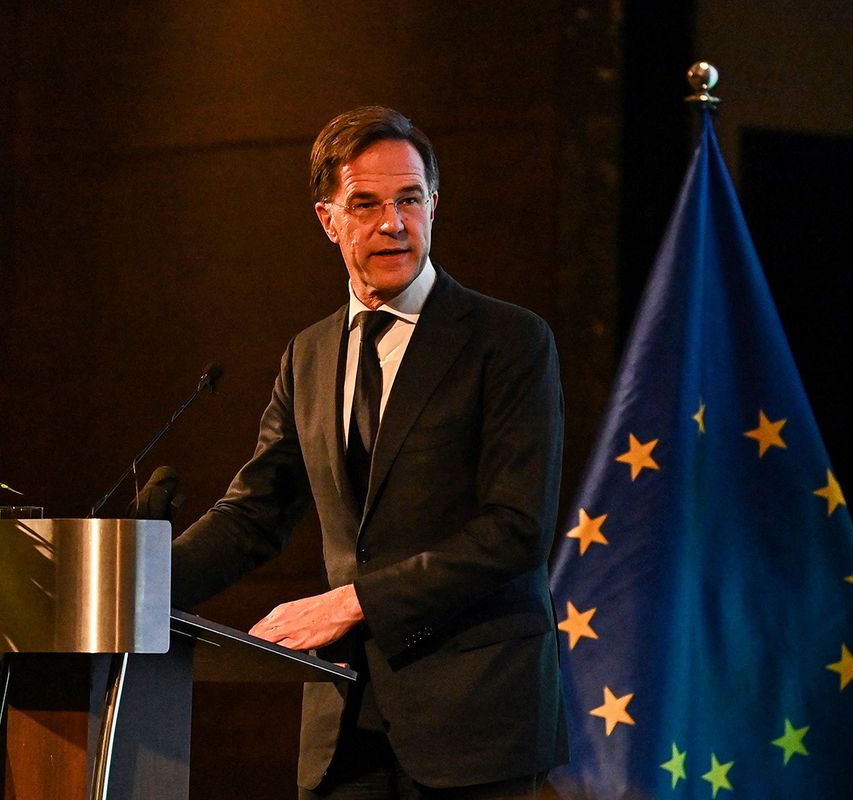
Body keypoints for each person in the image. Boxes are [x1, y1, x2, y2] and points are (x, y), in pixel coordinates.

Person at [171, 106, 566, 799]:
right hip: (345, 726)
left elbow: (517, 529)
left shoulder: (507, 342)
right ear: (328, 220)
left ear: (434, 206)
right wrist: (131, 591)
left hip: (475, 722)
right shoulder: (310, 353)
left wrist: (353, 602)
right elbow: (254, 514)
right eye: (367, 203)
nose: (394, 223)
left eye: (410, 199)